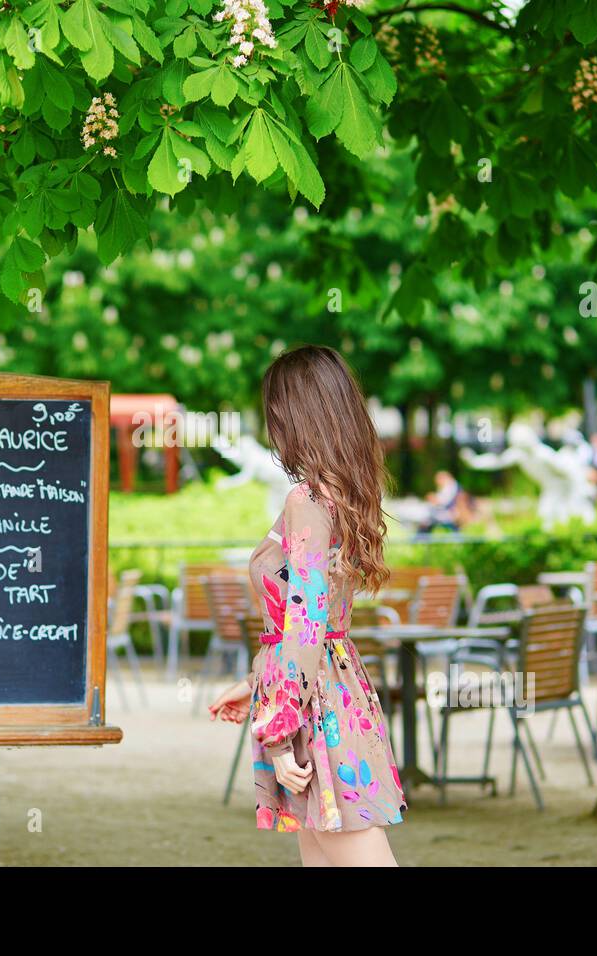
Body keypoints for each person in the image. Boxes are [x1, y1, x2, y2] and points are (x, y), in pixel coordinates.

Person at [207, 345, 405, 867]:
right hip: (323, 695)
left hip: (313, 707)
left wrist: (277, 726)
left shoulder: (309, 501)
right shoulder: (334, 497)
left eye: (276, 412)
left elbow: (306, 624)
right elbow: (306, 624)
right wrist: (256, 685)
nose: (273, 428)